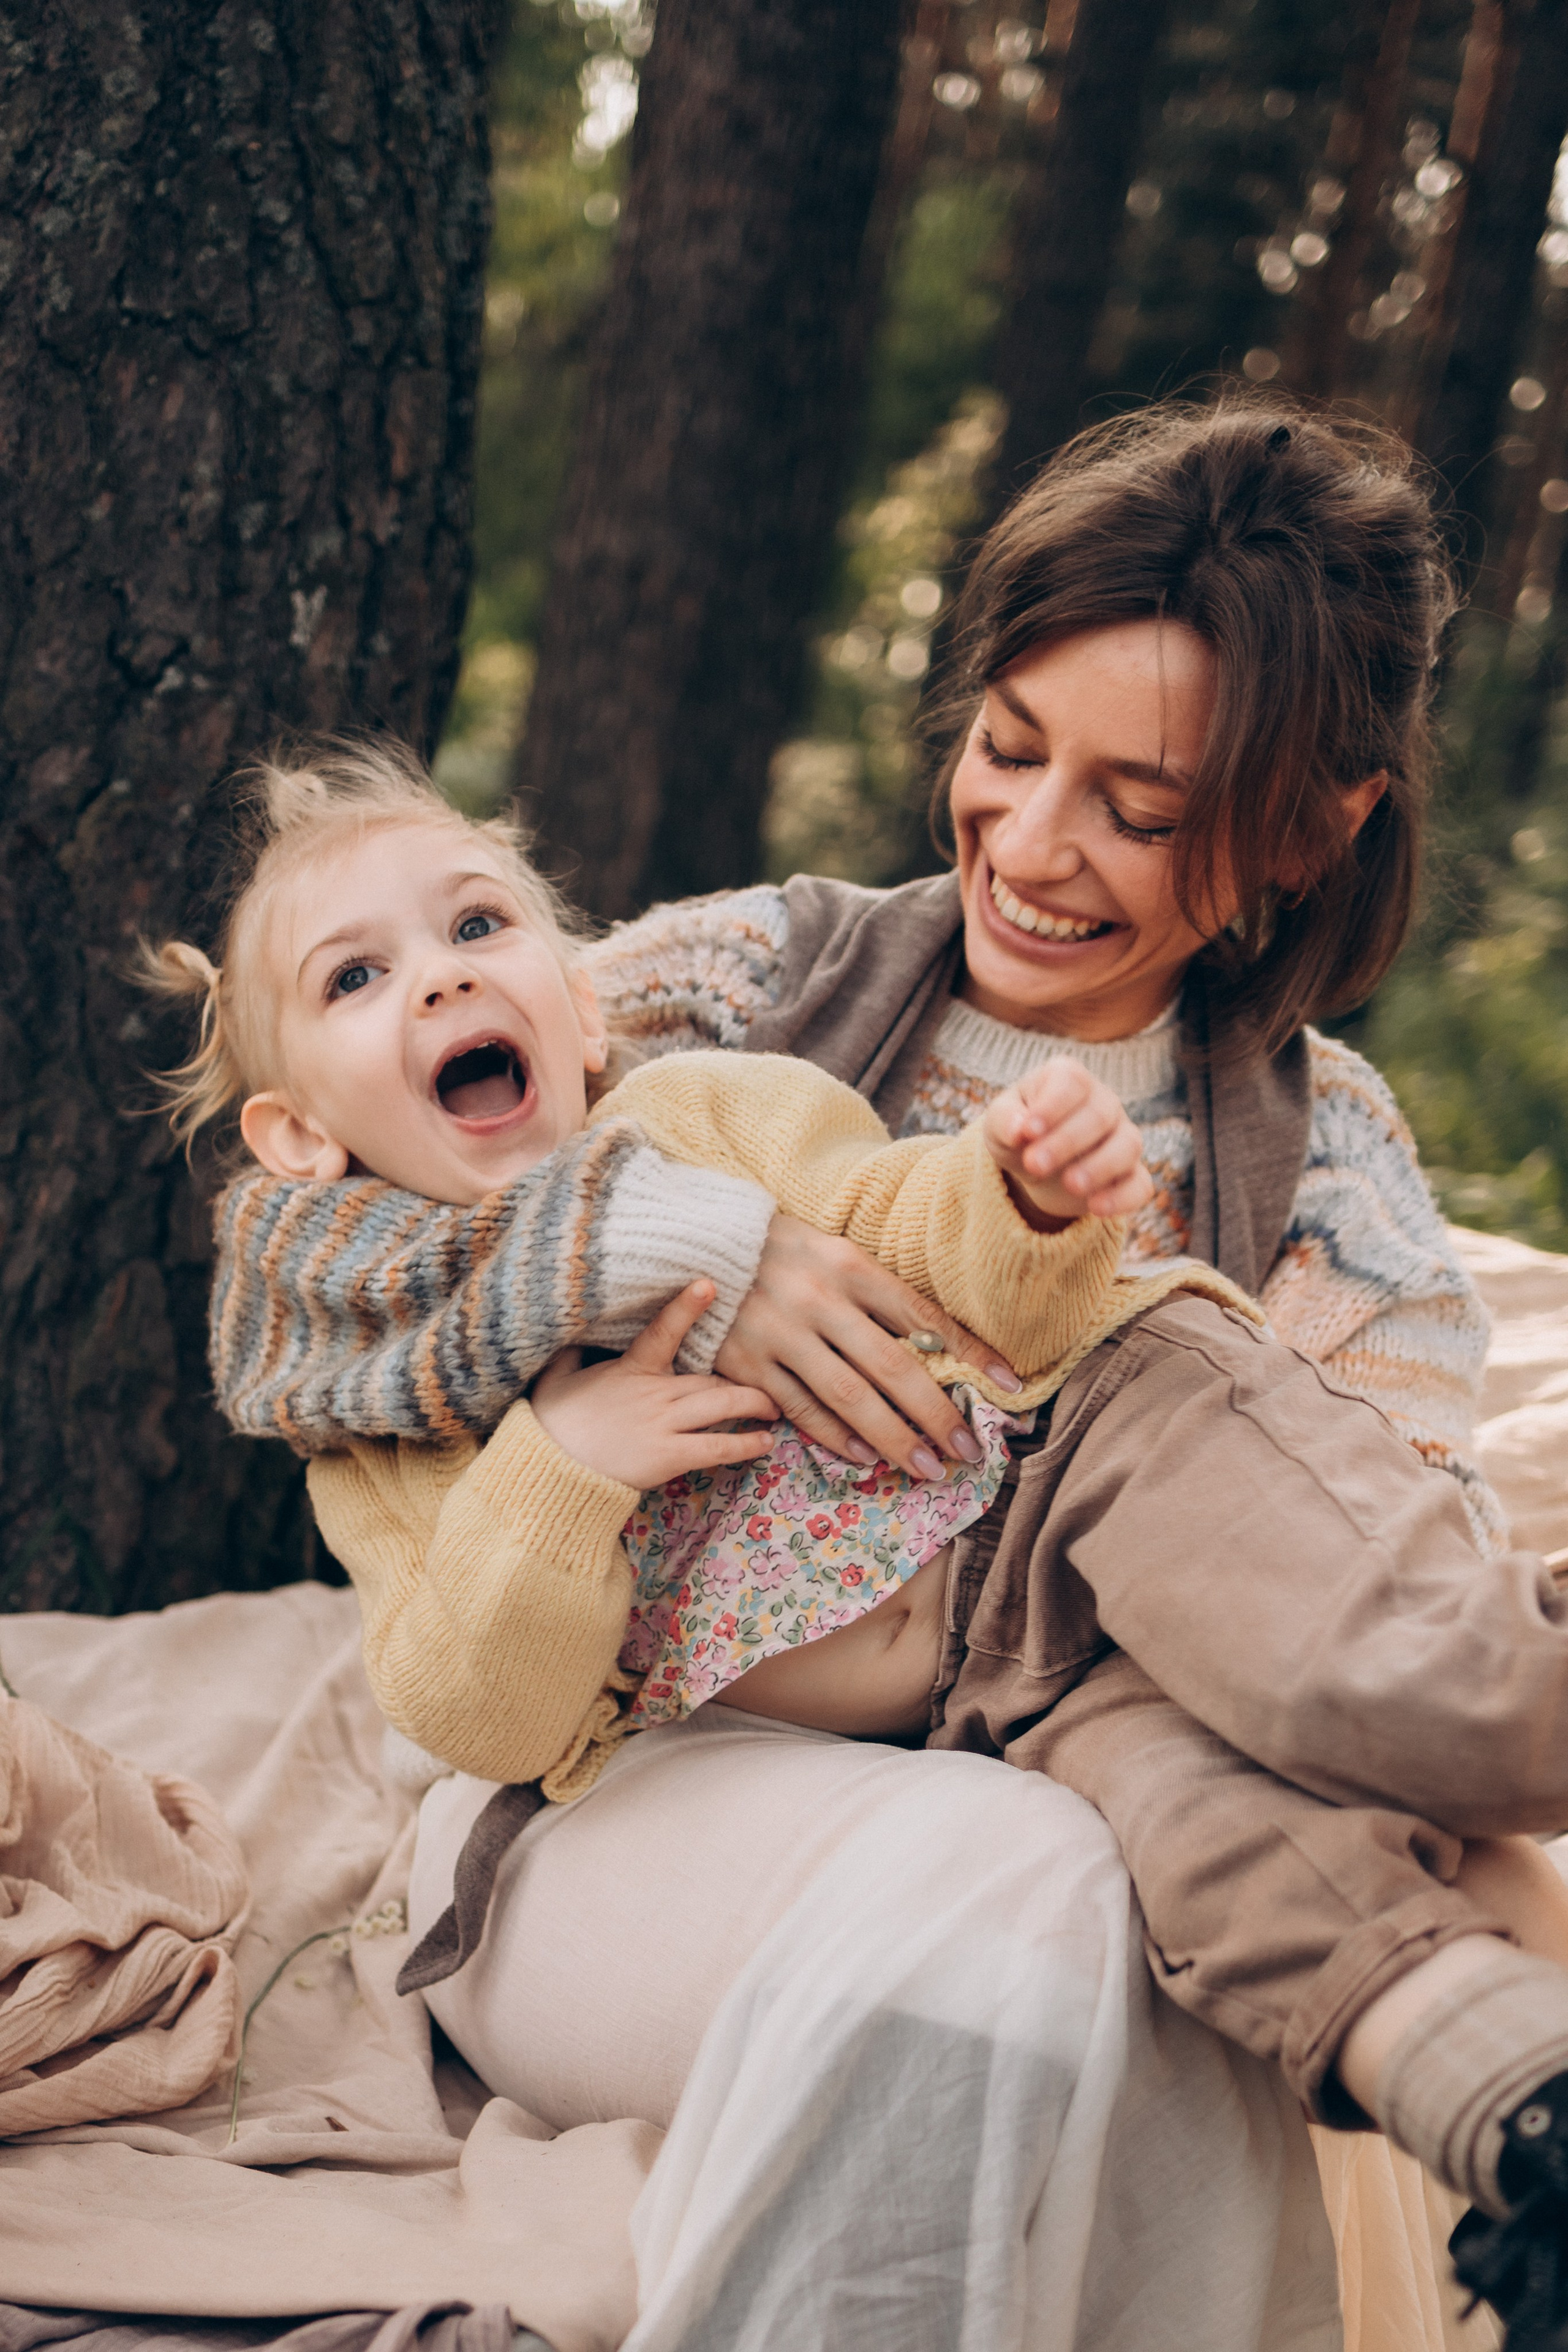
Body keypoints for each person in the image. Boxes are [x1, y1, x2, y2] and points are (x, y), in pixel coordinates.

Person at [167, 395, 1568, 2347]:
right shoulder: (726, 994)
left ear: (1310, 829)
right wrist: (679, 1254)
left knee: (1181, 1830)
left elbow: (1333, 1580)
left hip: (1049, 1723)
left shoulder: (1332, 1179)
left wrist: (1058, 1260)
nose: (1034, 843)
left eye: (1139, 810)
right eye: (1008, 747)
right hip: (646, 1785)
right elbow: (298, 1269)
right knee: (1058, 1873)